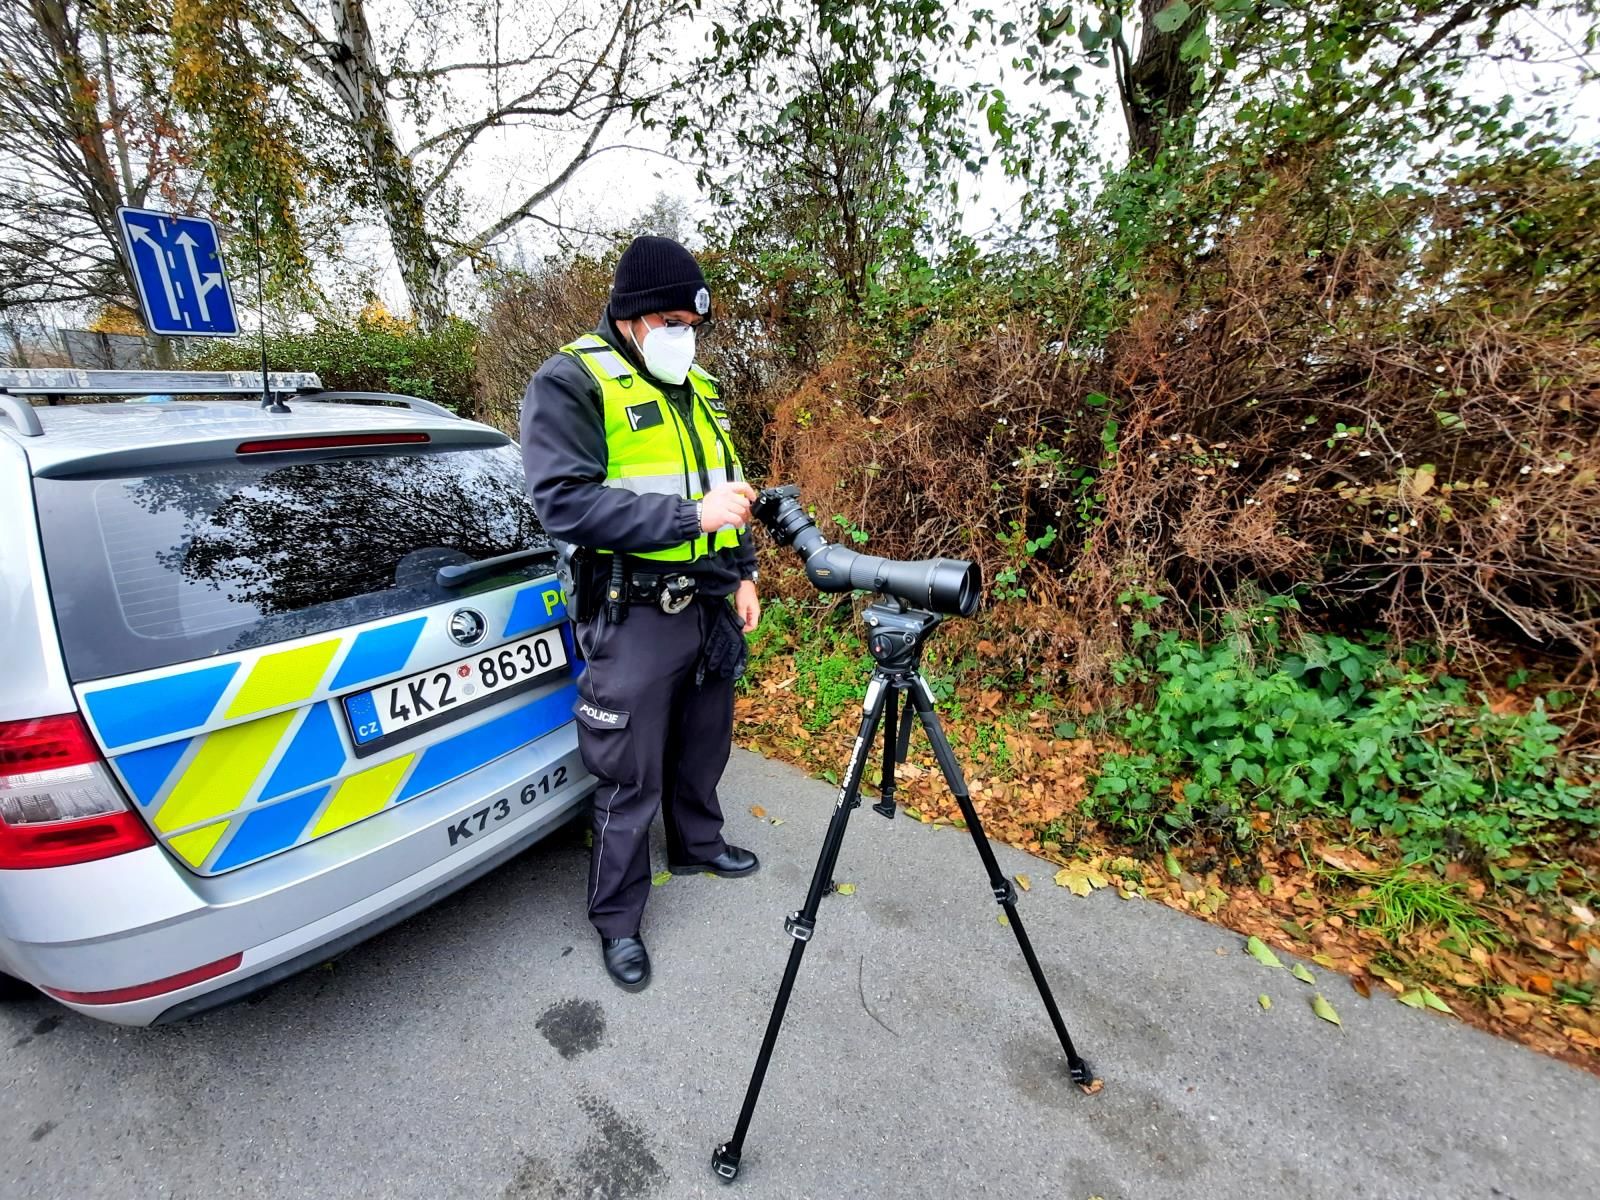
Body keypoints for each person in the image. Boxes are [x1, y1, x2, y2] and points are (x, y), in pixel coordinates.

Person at [520, 235, 762, 992]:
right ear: (629, 318)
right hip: (633, 610)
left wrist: (745, 572)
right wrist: (690, 517)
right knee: (628, 774)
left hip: (709, 601)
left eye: (691, 324)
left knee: (703, 741)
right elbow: (564, 501)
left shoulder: (702, 385)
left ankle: (698, 844)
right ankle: (618, 920)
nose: (682, 336)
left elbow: (732, 488)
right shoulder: (571, 380)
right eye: (667, 321)